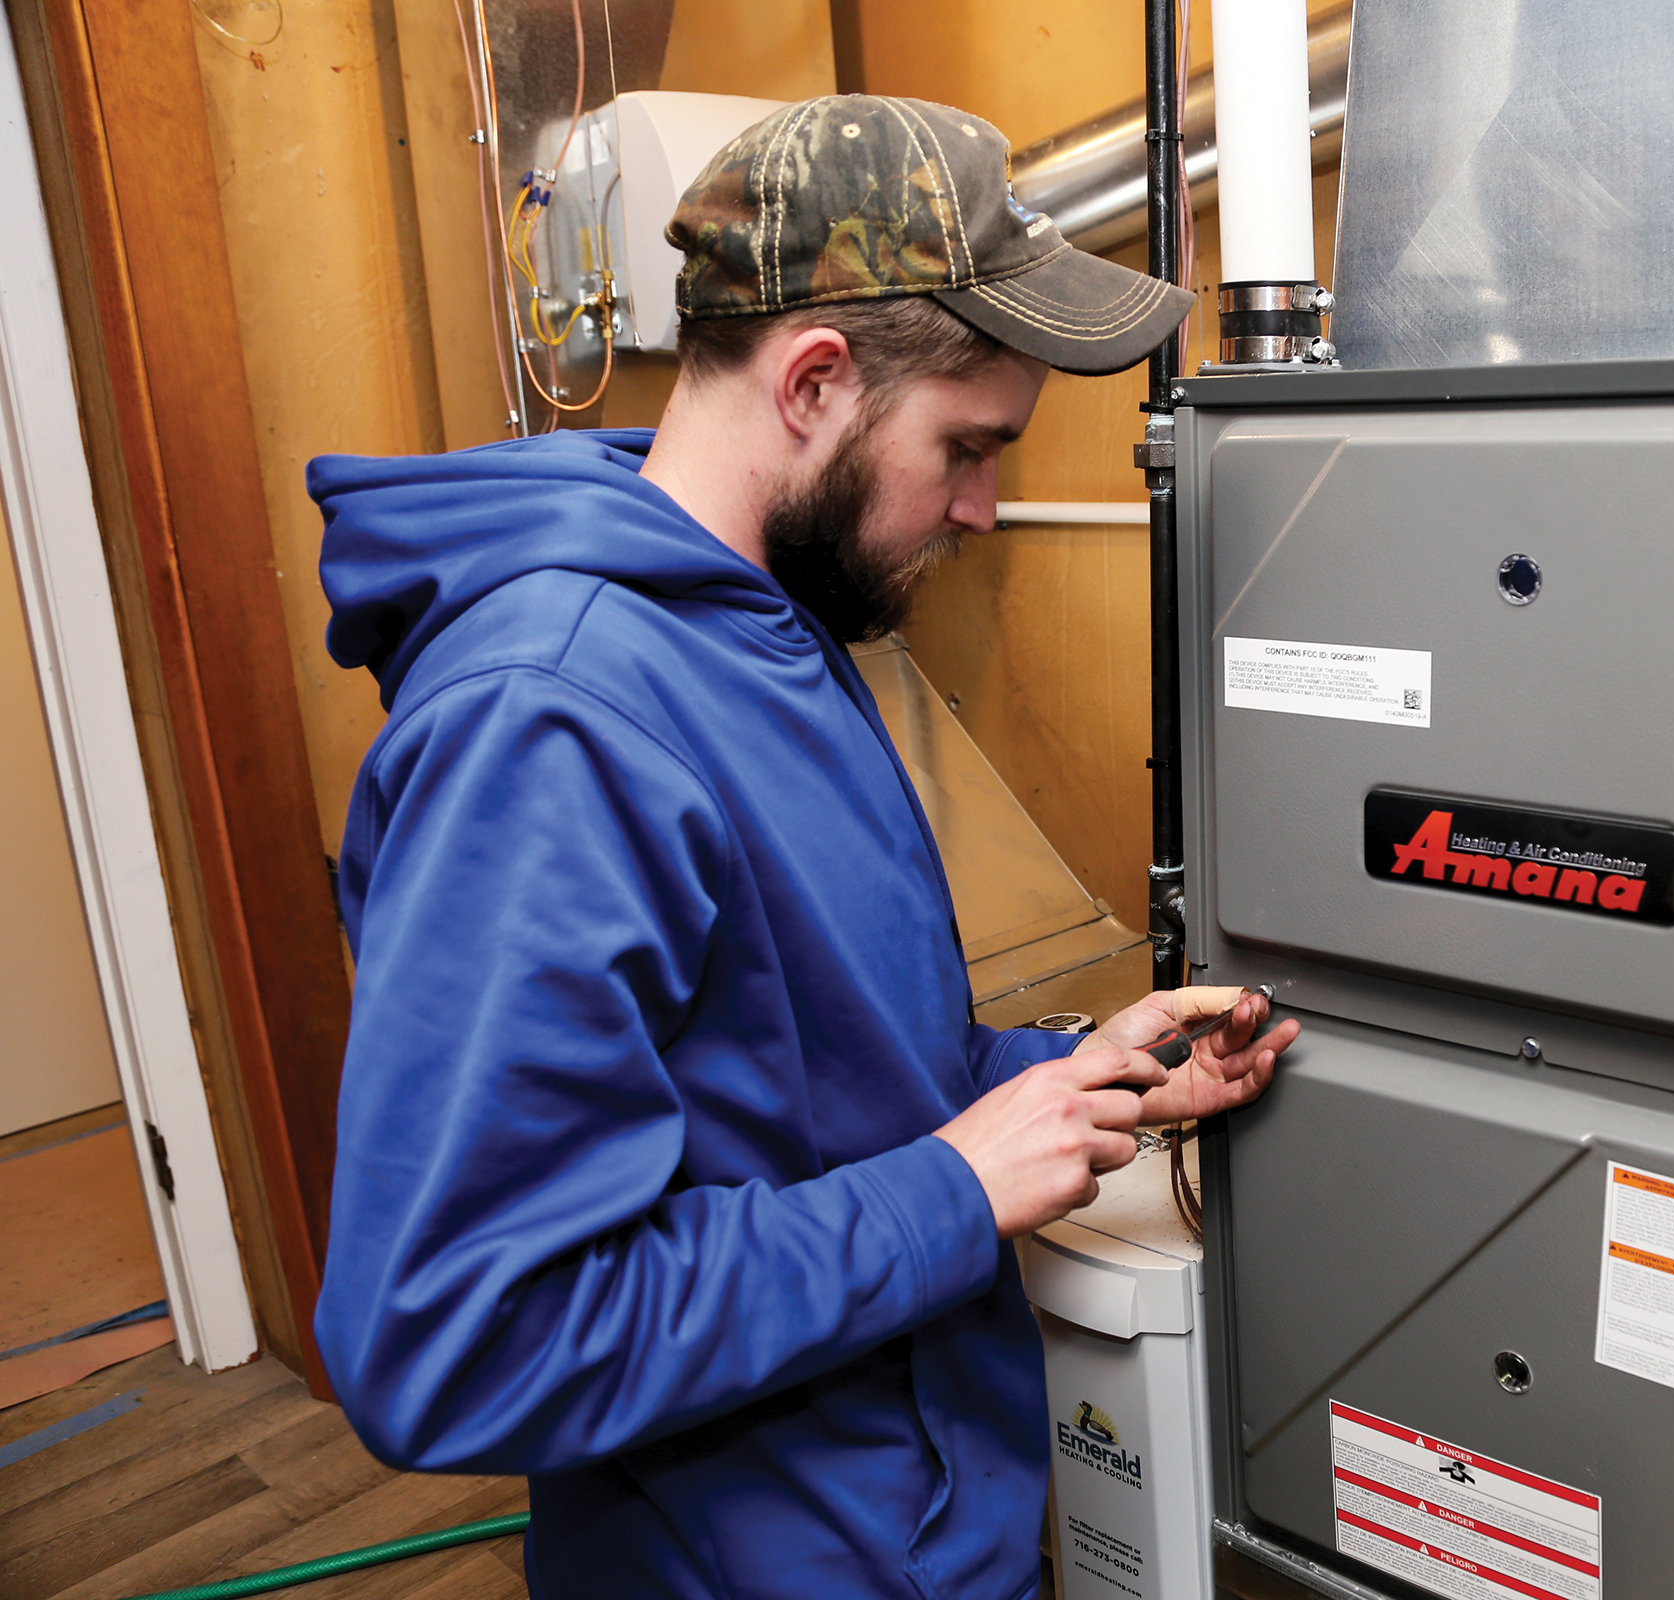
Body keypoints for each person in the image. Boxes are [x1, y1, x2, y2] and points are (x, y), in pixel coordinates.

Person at [306, 94, 1297, 1600]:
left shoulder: (775, 625)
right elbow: (458, 1341)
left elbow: (807, 1081)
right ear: (817, 380)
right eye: (967, 449)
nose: (983, 508)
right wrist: (954, 1192)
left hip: (914, 1517)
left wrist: (1074, 1082)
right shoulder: (550, 726)